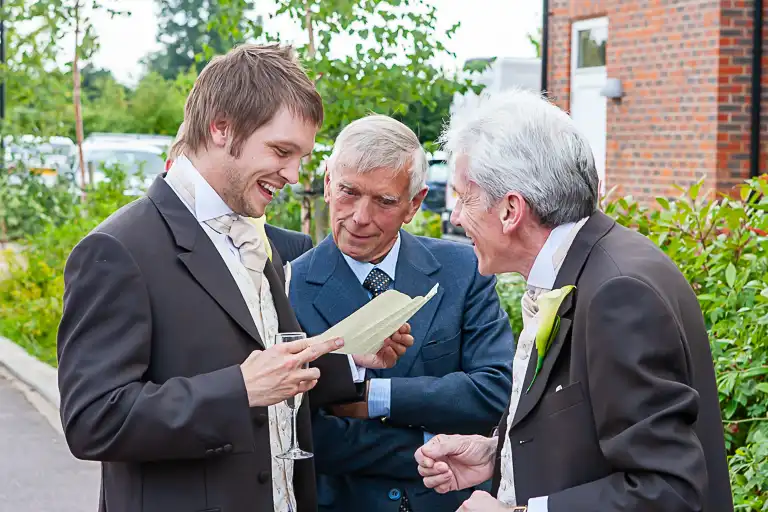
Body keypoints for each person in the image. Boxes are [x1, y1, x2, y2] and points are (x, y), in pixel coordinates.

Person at [56, 44, 414, 512]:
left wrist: (350, 360)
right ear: (221, 127)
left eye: (302, 156)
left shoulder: (253, 235)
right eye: (282, 151)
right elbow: (93, 419)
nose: (293, 174)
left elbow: (264, 370)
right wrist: (239, 390)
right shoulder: (118, 249)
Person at [414, 89, 733, 512]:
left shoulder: (619, 295)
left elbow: (667, 490)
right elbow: (592, 431)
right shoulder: (586, 267)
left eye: (464, 197)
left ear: (511, 210)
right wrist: (499, 455)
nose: (455, 217)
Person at [289, 115, 515, 512]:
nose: (360, 216)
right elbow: (305, 432)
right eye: (348, 192)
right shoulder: (288, 286)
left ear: (414, 204)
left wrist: (377, 397)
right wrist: (430, 447)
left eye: (384, 201)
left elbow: (497, 391)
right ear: (327, 183)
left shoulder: (463, 271)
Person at [167, 122, 313, 263]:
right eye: (282, 151)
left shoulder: (290, 247)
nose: (293, 177)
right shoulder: (158, 239)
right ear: (171, 168)